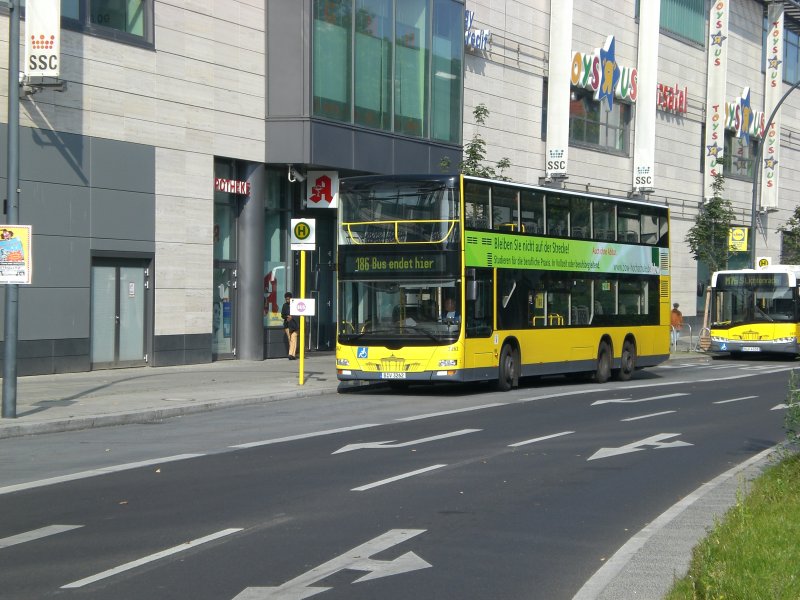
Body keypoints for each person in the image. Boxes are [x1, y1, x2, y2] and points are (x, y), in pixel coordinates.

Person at [281, 292, 298, 360]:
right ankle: (293, 354)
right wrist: (286, 317)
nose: (287, 300)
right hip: (287, 325)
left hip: (295, 325)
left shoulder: (296, 305)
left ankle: (290, 354)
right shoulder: (285, 305)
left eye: (288, 299)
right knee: (291, 339)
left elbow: (298, 314)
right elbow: (282, 315)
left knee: (293, 338)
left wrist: (292, 317)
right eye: (286, 299)